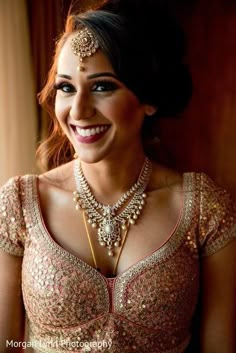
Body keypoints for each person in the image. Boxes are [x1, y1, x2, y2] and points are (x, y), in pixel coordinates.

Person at [0, 0, 235, 352]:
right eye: (66, 87)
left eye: (102, 87)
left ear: (149, 99)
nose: (77, 111)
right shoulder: (19, 204)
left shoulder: (205, 210)